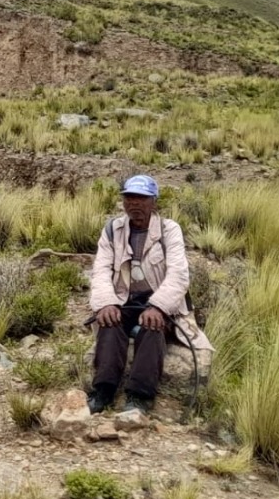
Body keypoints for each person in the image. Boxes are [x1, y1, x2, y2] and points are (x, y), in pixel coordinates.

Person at [87, 175, 211, 414]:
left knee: (153, 327)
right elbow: (100, 270)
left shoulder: (168, 230)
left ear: (153, 201)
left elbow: (178, 275)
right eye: (129, 197)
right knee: (110, 324)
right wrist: (106, 303)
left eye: (142, 198)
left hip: (156, 300)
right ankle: (103, 391)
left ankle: (139, 396)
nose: (135, 203)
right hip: (124, 299)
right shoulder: (113, 230)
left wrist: (159, 307)